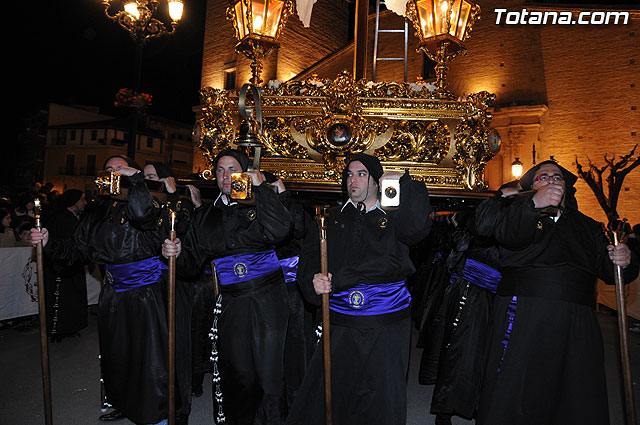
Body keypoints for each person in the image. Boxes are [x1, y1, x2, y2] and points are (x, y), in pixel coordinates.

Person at [473, 160, 639, 425]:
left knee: (575, 391)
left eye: (557, 177)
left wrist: (623, 260)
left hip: (577, 320)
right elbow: (506, 235)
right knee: (517, 390)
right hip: (526, 312)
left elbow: (609, 272)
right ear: (530, 186)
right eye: (542, 177)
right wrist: (531, 204)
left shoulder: (589, 226)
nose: (551, 179)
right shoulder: (516, 212)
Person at [285, 153, 432, 425]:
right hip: (341, 321)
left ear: (377, 182)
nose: (353, 180)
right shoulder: (330, 219)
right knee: (335, 390)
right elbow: (308, 259)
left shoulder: (397, 217)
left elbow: (417, 230)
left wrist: (405, 184)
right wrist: (312, 281)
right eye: (349, 175)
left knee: (381, 394)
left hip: (385, 322)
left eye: (362, 174)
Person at [31, 155, 174, 425]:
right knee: (115, 356)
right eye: (109, 170)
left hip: (144, 293)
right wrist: (49, 243)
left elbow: (143, 215)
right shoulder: (96, 211)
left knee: (148, 359)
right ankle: (123, 403)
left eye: (119, 169)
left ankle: (157, 417)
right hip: (112, 293)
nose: (112, 174)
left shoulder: (145, 200)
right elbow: (76, 249)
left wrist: (135, 180)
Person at [162, 149, 292, 425]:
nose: (225, 175)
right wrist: (175, 253)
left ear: (244, 172)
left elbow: (281, 230)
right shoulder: (205, 216)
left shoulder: (260, 204)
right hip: (232, 301)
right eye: (220, 169)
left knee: (270, 371)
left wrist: (262, 190)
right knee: (238, 370)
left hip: (268, 298)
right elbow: (190, 265)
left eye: (232, 168)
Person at [42, 189, 89, 342]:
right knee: (61, 300)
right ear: (74, 202)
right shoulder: (62, 219)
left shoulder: (74, 217)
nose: (85, 203)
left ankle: (70, 327)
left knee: (72, 299)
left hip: (73, 267)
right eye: (82, 199)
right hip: (60, 268)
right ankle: (58, 330)